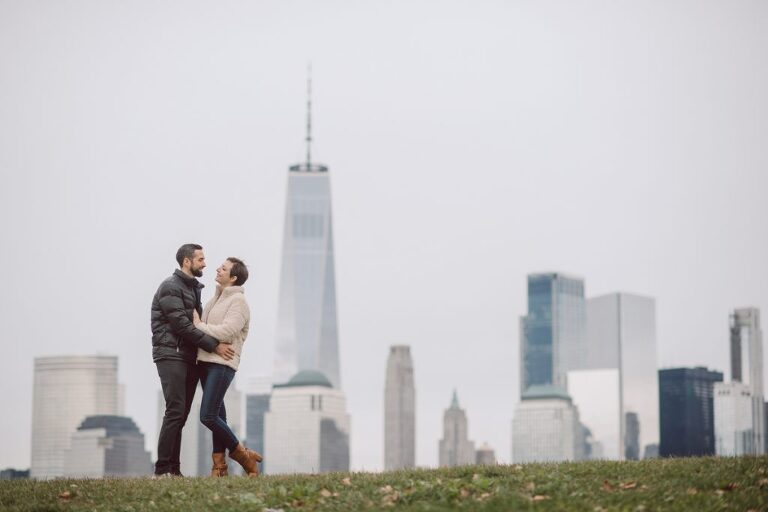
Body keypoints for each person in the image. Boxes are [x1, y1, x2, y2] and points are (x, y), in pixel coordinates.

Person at [151, 243, 235, 477]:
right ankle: (162, 470)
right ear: (186, 262)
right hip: (171, 354)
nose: (205, 263)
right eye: (200, 259)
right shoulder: (170, 287)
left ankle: (174, 471)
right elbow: (182, 325)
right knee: (175, 412)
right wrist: (214, 346)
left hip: (187, 357)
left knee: (181, 415)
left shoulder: (192, 288)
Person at [193, 257, 263, 476]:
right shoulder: (215, 299)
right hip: (205, 361)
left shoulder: (239, 302)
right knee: (218, 416)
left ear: (233, 278)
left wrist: (198, 325)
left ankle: (242, 454)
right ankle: (219, 466)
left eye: (223, 268)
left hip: (222, 365)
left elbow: (227, 331)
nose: (217, 269)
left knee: (207, 416)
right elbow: (212, 332)